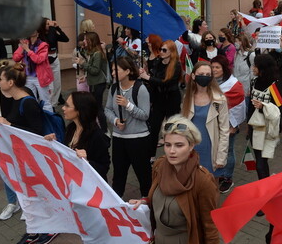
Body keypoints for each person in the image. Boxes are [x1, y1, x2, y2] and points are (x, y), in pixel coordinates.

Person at [129, 115, 221, 244]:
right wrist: (145, 201)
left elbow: (210, 228)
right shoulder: (159, 166)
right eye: (167, 144)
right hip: (161, 242)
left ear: (191, 145)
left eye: (179, 145)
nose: (172, 151)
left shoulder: (202, 180)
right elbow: (159, 198)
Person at [0, 63, 58, 244]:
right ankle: (34, 230)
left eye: (1, 79)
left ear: (11, 82)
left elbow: (37, 133)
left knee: (38, 194)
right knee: (29, 196)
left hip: (32, 158)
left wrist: (9, 123)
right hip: (21, 157)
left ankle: (50, 228)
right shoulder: (15, 98)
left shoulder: (27, 101)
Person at [104, 57, 152, 198]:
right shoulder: (114, 88)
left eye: (116, 70)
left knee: (144, 176)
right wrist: (116, 120)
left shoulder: (140, 89)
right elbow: (107, 109)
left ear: (127, 71)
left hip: (138, 139)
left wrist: (128, 105)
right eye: (112, 69)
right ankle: (116, 205)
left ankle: (148, 204)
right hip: (119, 138)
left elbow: (145, 115)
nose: (113, 73)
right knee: (118, 175)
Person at [46, 92, 110, 180]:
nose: (63, 108)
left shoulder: (97, 136)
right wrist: (54, 143)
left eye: (67, 106)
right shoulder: (71, 128)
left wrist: (87, 161)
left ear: (79, 110)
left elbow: (103, 168)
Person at [181, 61, 229, 176]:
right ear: (193, 76)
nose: (205, 77)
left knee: (211, 188)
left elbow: (224, 130)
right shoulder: (187, 98)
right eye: (201, 74)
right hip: (191, 151)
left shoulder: (219, 100)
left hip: (211, 151)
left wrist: (221, 157)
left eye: (208, 75)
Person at [140, 40, 182, 156]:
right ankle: (151, 156)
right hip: (159, 99)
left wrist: (148, 78)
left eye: (164, 50)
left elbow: (166, 83)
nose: (161, 52)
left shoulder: (176, 65)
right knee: (154, 128)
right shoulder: (158, 62)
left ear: (172, 52)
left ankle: (174, 154)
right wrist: (145, 76)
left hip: (172, 99)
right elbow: (154, 81)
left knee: (172, 129)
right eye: (160, 50)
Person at [210, 55, 246, 193]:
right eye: (212, 67)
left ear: (224, 68)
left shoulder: (234, 84)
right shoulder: (209, 81)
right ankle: (216, 173)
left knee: (228, 151)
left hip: (228, 125)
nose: (214, 70)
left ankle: (227, 178)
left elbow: (239, 106)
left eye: (217, 67)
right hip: (213, 123)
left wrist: (234, 126)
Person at [248, 54, 282, 182]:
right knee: (259, 161)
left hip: (267, 129)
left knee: (261, 163)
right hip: (254, 127)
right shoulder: (254, 82)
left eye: (255, 66)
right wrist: (248, 126)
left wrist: (264, 107)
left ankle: (264, 187)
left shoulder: (274, 86)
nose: (252, 68)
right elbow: (250, 107)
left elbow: (280, 111)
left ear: (262, 68)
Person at [12, 25, 54, 112]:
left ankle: (50, 122)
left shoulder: (43, 45)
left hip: (40, 77)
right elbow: (16, 58)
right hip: (28, 77)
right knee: (31, 100)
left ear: (38, 32)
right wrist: (23, 49)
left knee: (45, 101)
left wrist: (28, 50)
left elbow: (39, 60)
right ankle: (36, 120)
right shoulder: (25, 43)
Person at [74, 31, 108, 133]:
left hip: (99, 83)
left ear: (90, 41)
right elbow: (92, 71)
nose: (83, 41)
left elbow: (95, 70)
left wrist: (83, 63)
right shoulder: (91, 52)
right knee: (95, 106)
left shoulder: (97, 53)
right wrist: (86, 77)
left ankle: (104, 130)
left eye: (85, 39)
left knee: (98, 107)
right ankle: (99, 128)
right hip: (94, 82)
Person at [42, 18, 69, 106]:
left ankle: (54, 103)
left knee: (57, 84)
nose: (49, 25)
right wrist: (52, 29)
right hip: (46, 60)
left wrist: (58, 28)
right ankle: (49, 104)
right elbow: (50, 41)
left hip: (54, 58)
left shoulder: (52, 32)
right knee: (50, 86)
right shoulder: (41, 36)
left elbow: (66, 39)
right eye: (47, 24)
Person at [232, 33, 256, 109]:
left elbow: (252, 73)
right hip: (237, 87)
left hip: (246, 88)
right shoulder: (236, 54)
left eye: (236, 41)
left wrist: (250, 88)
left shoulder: (251, 55)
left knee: (246, 109)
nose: (235, 43)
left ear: (241, 42)